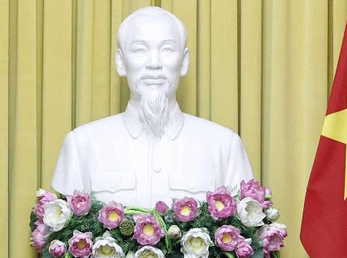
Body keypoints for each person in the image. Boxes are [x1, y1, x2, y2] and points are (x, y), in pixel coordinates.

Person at [51, 6, 254, 209]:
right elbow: (63, 234)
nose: (154, 63)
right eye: (140, 50)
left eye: (167, 49)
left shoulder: (224, 147)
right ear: (121, 62)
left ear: (184, 62)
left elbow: (244, 234)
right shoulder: (82, 145)